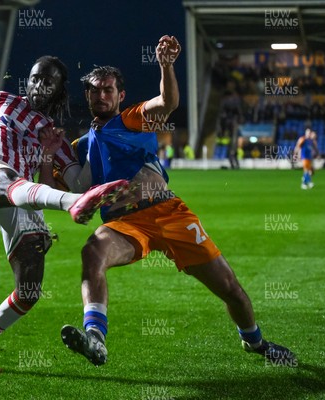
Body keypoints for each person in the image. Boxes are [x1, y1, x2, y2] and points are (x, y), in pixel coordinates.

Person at [60, 35, 296, 367]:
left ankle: (255, 341)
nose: (101, 95)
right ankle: (96, 340)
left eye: (108, 89)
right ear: (87, 94)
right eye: (95, 90)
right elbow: (58, 191)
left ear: (120, 95)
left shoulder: (130, 119)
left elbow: (167, 103)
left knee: (229, 288)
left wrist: (166, 65)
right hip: (123, 224)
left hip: (169, 213)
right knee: (92, 251)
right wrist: (45, 152)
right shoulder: (79, 146)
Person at [0, 55, 131, 373]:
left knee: (28, 292)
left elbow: (78, 182)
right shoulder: (0, 100)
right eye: (34, 78)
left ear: (59, 90)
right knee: (10, 178)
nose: (38, 85)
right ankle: (71, 204)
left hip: (21, 201)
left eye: (48, 81)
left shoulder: (53, 137)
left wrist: (96, 138)